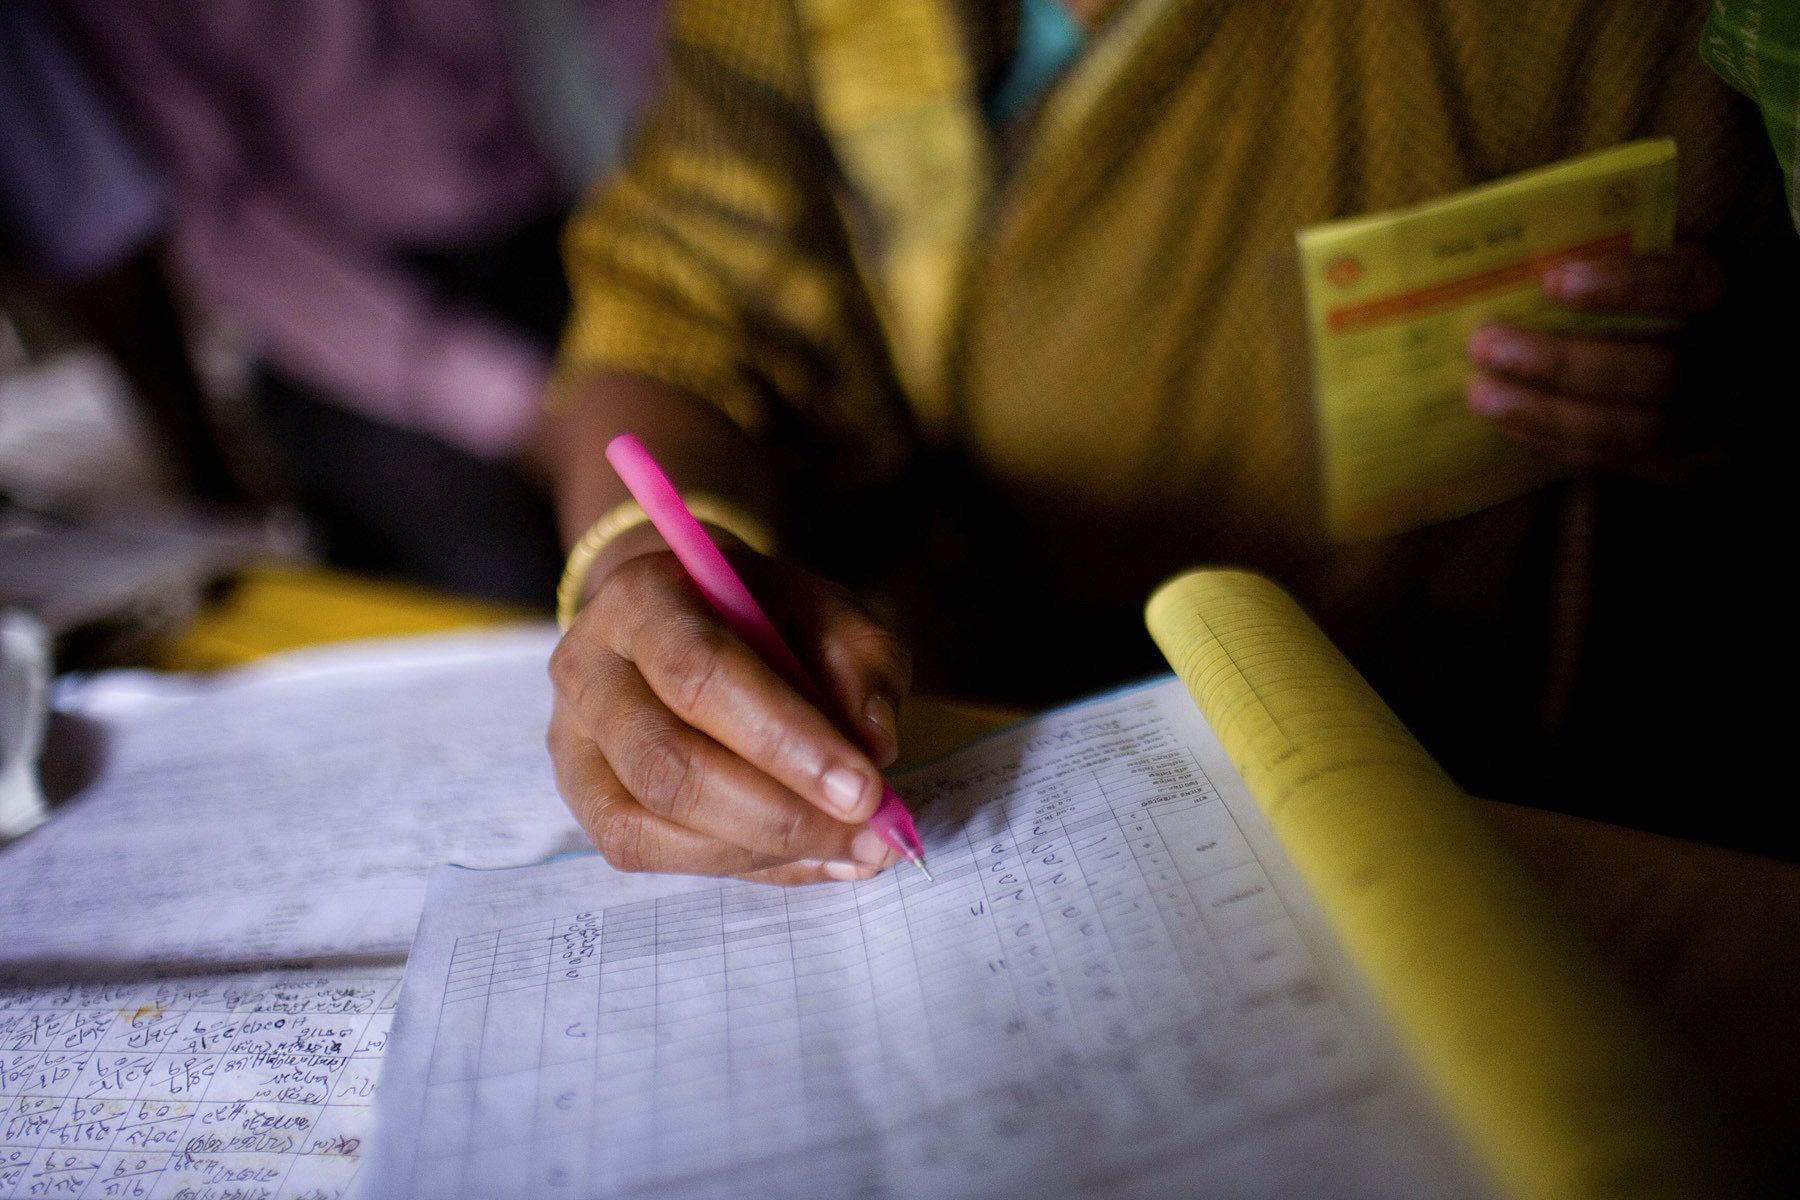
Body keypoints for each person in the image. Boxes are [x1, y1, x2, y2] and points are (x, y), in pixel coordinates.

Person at [543, 0, 1799, 883]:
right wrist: (646, 562)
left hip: (1462, 780)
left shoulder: (1622, 30)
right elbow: (673, 306)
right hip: (945, 718)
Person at [60, 0, 664, 604]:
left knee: (692, 516)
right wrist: (514, 407)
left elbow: (646, 38)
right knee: (497, 595)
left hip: (548, 235)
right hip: (341, 327)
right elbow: (225, 220)